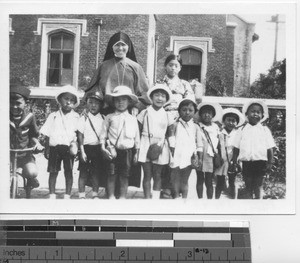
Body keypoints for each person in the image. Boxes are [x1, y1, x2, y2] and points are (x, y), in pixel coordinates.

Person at [86, 32, 150, 115]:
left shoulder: (136, 67)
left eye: (123, 45)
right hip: (106, 111)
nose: (120, 48)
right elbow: (93, 90)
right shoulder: (104, 66)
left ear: (128, 46)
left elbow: (144, 93)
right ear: (112, 47)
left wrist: (137, 107)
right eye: (117, 45)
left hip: (130, 112)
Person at [100, 86, 140, 199]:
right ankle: (111, 196)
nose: (120, 102)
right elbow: (103, 134)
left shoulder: (132, 119)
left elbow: (137, 137)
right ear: (113, 102)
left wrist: (137, 152)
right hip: (112, 151)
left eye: (123, 99)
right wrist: (103, 148)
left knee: (125, 176)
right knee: (111, 174)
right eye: (117, 100)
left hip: (127, 152)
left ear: (129, 102)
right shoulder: (109, 117)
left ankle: (122, 197)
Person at [40, 85, 80, 199]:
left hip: (69, 148)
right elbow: (47, 132)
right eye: (66, 99)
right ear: (60, 100)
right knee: (53, 171)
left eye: (72, 100)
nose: (68, 102)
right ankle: (52, 193)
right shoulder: (53, 116)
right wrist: (47, 148)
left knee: (69, 171)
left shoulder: (76, 117)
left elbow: (78, 134)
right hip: (55, 147)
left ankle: (67, 194)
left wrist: (76, 148)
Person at [137, 84, 175, 199]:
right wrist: (137, 147)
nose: (159, 98)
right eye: (157, 95)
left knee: (158, 174)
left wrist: (172, 147)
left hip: (161, 145)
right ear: (151, 97)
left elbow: (171, 132)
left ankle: (155, 199)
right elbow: (137, 131)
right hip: (145, 143)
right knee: (147, 174)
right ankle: (147, 198)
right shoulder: (144, 113)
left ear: (166, 99)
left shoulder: (168, 115)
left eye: (163, 96)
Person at [232, 100, 276, 199]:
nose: (255, 114)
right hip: (247, 162)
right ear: (247, 114)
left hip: (260, 163)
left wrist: (270, 163)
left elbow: (270, 148)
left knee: (258, 185)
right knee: (248, 185)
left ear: (262, 115)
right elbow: (236, 147)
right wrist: (235, 162)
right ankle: (250, 207)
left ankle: (258, 206)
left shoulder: (264, 130)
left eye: (258, 112)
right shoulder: (241, 130)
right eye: (252, 111)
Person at [10, 84, 44, 195]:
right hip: (7, 155)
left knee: (32, 172)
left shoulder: (29, 117)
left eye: (18, 103)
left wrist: (37, 144)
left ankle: (30, 181)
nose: (14, 107)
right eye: (11, 103)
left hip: (24, 155)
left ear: (25, 103)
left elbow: (33, 135)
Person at [169, 97, 203, 199]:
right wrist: (172, 155)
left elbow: (199, 144)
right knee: (175, 179)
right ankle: (175, 198)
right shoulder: (175, 125)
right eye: (184, 110)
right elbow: (171, 141)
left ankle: (184, 200)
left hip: (189, 157)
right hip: (176, 156)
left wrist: (199, 158)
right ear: (179, 111)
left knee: (184, 180)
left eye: (190, 110)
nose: (187, 113)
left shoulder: (195, 127)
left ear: (195, 112)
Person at [77, 91, 105, 199]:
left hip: (97, 148)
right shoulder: (83, 118)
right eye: (91, 102)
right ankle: (81, 195)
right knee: (83, 172)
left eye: (96, 103)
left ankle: (95, 194)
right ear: (86, 103)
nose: (93, 105)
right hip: (86, 148)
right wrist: (82, 151)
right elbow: (80, 135)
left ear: (101, 105)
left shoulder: (103, 117)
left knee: (96, 173)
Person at [214, 108, 244, 199]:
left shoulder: (238, 134)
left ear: (236, 123)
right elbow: (217, 147)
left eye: (233, 121)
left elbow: (238, 148)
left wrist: (235, 161)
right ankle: (216, 201)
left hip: (233, 161)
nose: (231, 123)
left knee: (232, 181)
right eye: (228, 120)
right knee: (220, 182)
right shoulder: (219, 133)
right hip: (222, 161)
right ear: (224, 121)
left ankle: (233, 200)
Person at [196, 102, 222, 199]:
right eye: (204, 113)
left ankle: (209, 201)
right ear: (200, 114)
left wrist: (219, 154)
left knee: (209, 179)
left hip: (210, 155)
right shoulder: (198, 125)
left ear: (213, 115)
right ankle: (200, 200)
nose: (207, 115)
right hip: (200, 153)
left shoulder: (215, 127)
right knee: (199, 179)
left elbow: (219, 141)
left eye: (209, 113)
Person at [161, 54, 196, 120]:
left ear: (180, 68)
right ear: (165, 66)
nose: (173, 68)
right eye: (170, 65)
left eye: (176, 66)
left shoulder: (185, 84)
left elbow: (190, 102)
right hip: (161, 114)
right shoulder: (159, 83)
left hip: (181, 116)